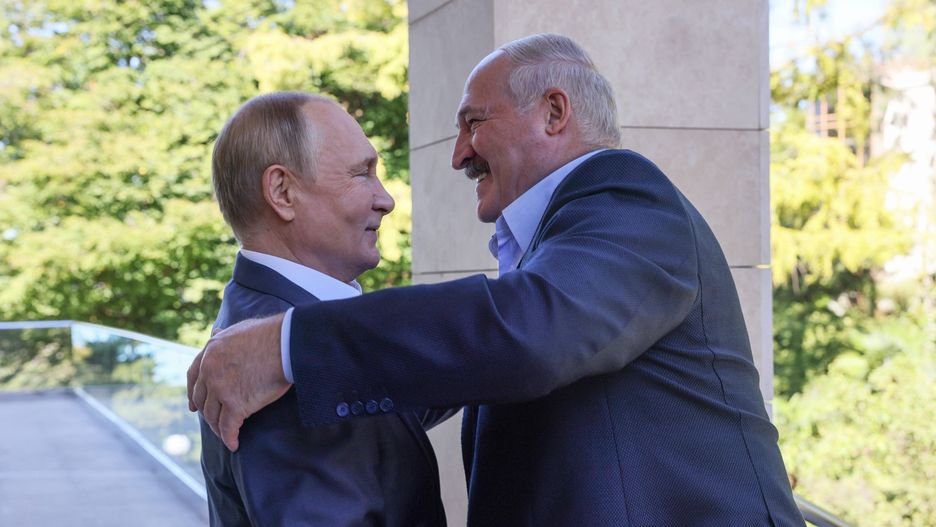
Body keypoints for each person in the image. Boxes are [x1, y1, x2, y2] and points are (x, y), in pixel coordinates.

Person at [190, 34, 805, 526]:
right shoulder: (557, 252)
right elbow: (470, 354)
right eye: (361, 175)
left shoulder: (628, 200)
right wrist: (294, 350)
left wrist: (291, 346)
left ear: (554, 113)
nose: (458, 153)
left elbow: (528, 334)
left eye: (473, 123)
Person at [198, 92, 446, 527]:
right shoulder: (279, 369)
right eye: (361, 174)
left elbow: (400, 397)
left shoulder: (268, 319)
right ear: (282, 192)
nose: (385, 199)